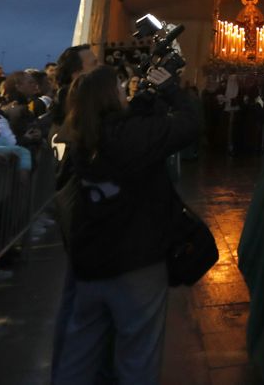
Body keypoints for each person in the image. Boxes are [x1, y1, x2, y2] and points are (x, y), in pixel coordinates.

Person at [52, 65, 201, 385]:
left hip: (90, 261)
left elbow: (122, 123)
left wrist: (144, 100)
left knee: (80, 352)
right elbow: (189, 125)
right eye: (120, 89)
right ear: (109, 97)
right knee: (137, 355)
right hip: (135, 262)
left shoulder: (80, 134)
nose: (124, 93)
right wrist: (172, 91)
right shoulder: (133, 137)